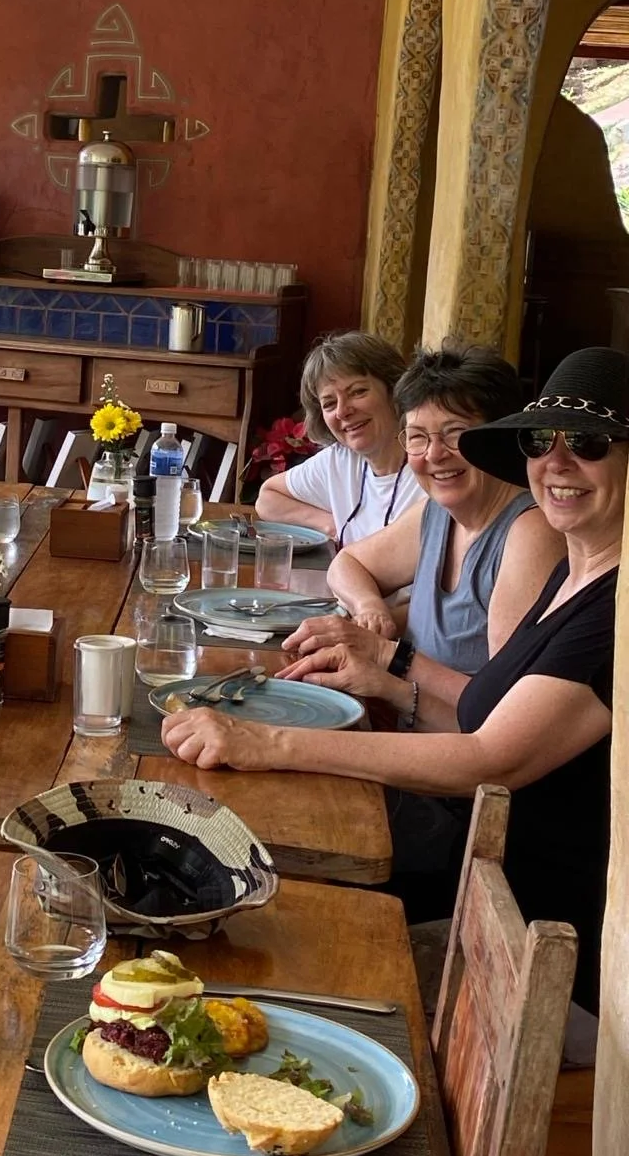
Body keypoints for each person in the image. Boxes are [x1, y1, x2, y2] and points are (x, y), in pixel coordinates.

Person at [162, 346, 624, 1015]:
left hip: (531, 933)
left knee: (250, 908)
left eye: (588, 443)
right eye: (539, 441)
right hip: (483, 875)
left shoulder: (613, 609)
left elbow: (487, 759)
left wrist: (268, 743)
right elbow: (485, 725)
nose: (556, 463)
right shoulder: (573, 575)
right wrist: (383, 680)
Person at [286, 346, 563, 678]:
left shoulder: (529, 531)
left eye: (455, 434)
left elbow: (498, 704)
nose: (434, 454)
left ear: (498, 437)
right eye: (418, 437)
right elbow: (348, 563)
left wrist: (384, 655)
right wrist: (370, 608)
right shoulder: (438, 512)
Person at [255, 331, 425, 546]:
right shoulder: (339, 460)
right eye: (329, 403)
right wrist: (331, 525)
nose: (342, 411)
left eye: (358, 392)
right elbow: (268, 498)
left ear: (394, 390)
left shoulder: (430, 465)